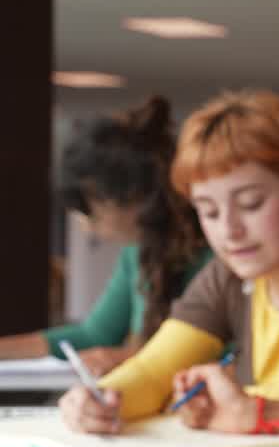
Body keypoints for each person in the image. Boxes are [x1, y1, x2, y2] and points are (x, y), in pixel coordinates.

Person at [58, 90, 279, 436]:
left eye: (250, 204)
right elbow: (153, 370)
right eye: (209, 211)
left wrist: (231, 405)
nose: (229, 230)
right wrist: (100, 399)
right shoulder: (226, 274)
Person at [0, 96, 209, 375]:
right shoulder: (136, 253)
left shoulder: (213, 252)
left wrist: (129, 358)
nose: (87, 226)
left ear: (131, 198)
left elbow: (225, 351)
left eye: (91, 212)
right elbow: (95, 334)